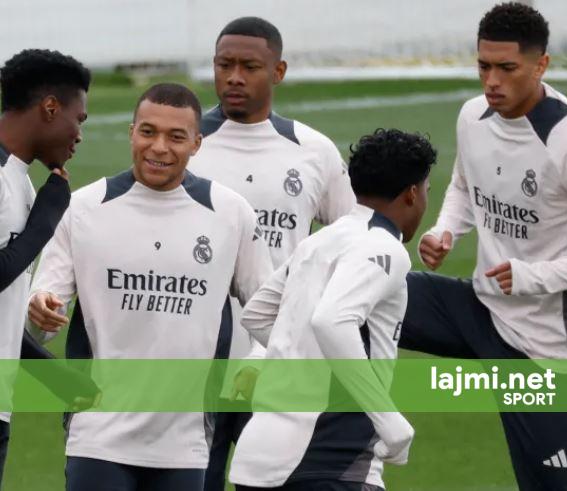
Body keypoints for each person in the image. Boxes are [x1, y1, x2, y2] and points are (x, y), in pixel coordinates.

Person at [398, 3, 567, 490]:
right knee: (364, 289)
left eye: (507, 68)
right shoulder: (474, 116)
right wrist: (445, 231)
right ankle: (346, 438)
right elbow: (466, 185)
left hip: (547, 349)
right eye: (483, 66)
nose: (492, 81)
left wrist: (537, 277)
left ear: (541, 64)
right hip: (481, 309)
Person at [28, 83, 273, 491]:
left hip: (186, 443)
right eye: (148, 132)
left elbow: (273, 314)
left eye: (176, 137)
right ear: (131, 133)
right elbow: (40, 320)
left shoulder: (230, 213)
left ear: (196, 143)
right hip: (97, 435)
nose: (159, 147)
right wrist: (40, 310)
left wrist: (259, 360)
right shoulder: (84, 208)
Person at [187, 16, 355, 490]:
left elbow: (352, 239)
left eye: (250, 67)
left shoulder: (313, 151)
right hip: (197, 359)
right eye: (224, 65)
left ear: (278, 72)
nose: (234, 77)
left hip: (281, 360)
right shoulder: (182, 146)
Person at [229, 128, 437, 490]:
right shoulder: (384, 246)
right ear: (412, 193)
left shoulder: (320, 241)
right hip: (326, 457)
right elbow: (332, 320)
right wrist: (389, 421)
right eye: (427, 190)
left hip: (257, 459)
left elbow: (257, 314)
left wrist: (305, 362)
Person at [0, 48, 91, 483]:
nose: (79, 135)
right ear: (50, 107)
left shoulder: (20, 182)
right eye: (79, 119)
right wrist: (44, 222)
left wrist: (58, 378)